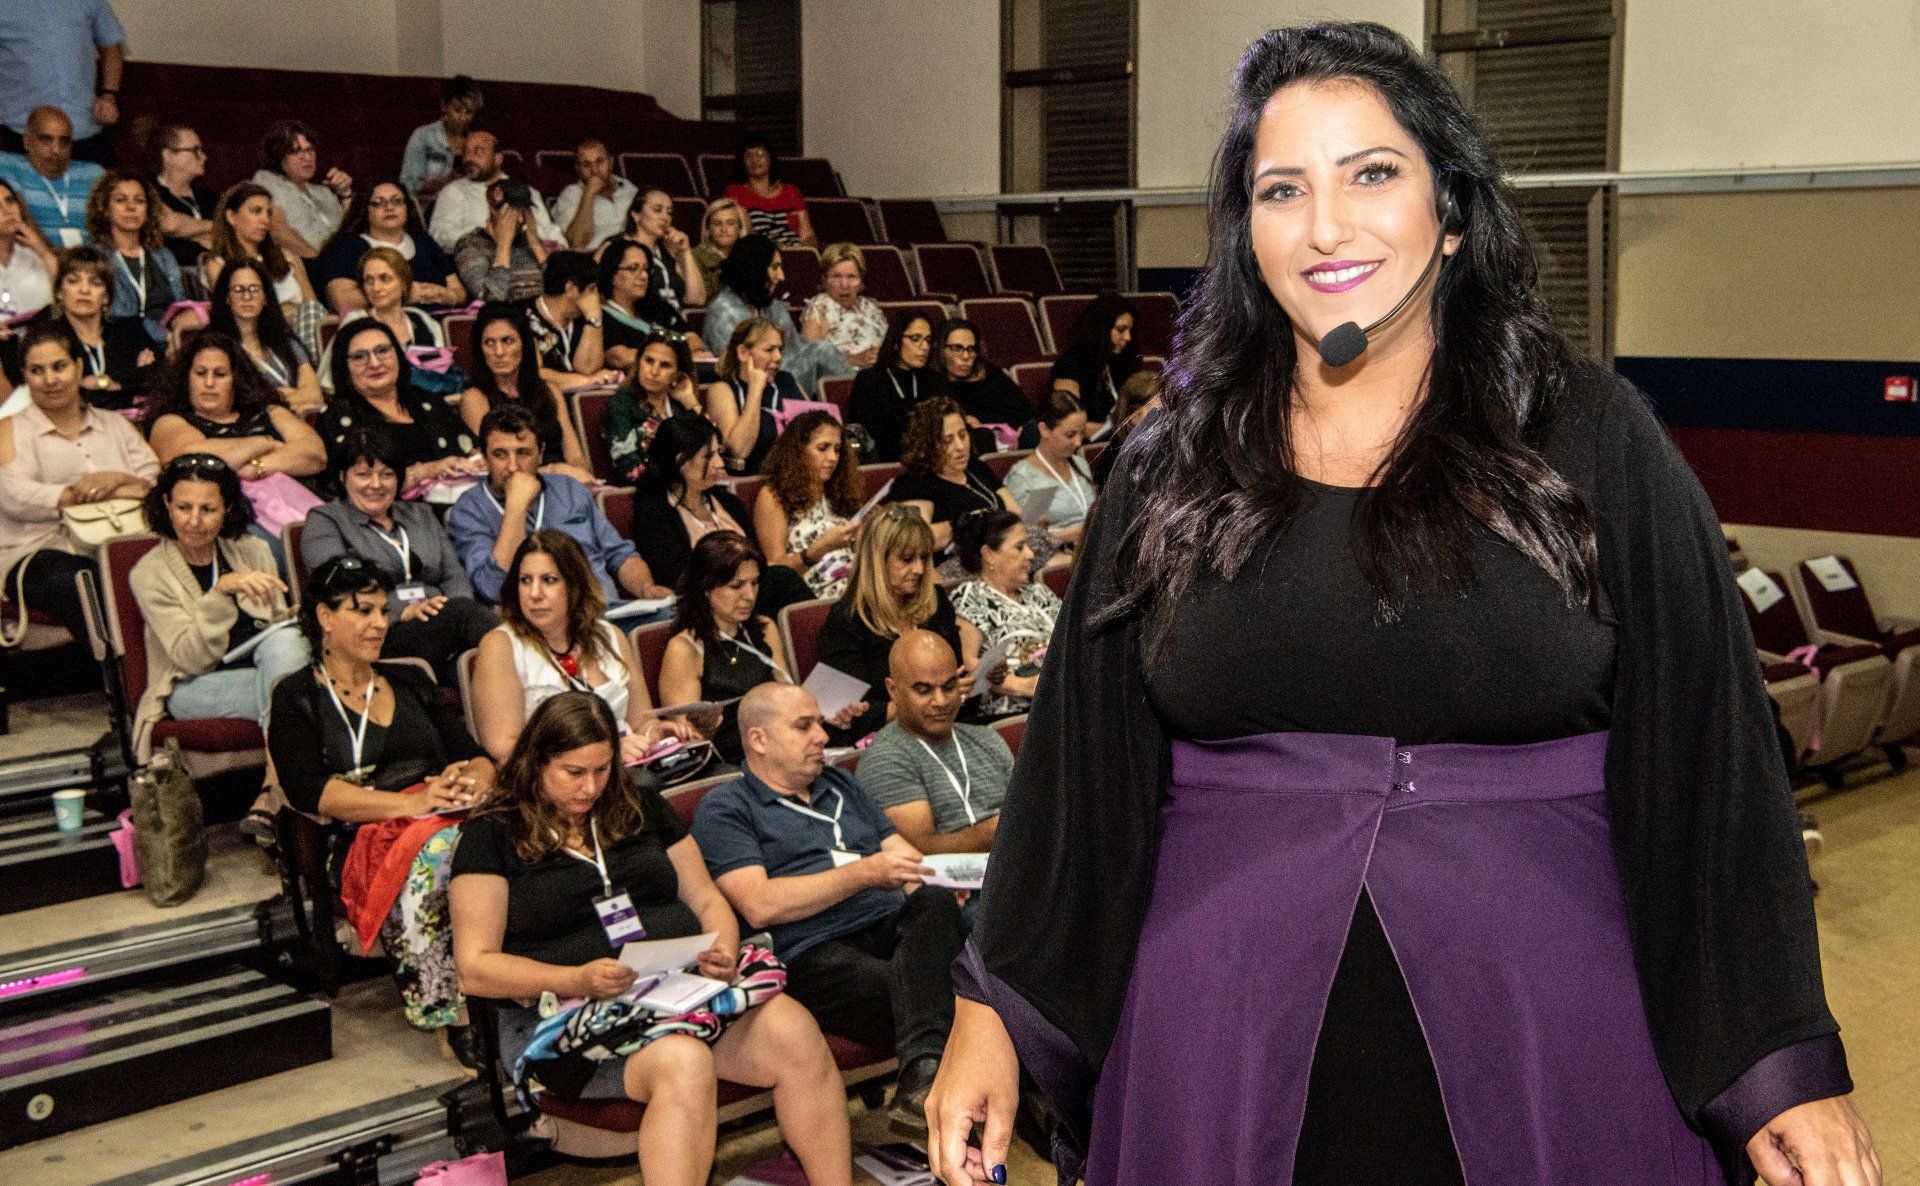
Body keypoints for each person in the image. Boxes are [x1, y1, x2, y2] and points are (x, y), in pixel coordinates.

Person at [925, 24, 1877, 1186]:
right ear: (1246, 234)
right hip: (1213, 1039)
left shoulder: (1593, 440)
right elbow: (1083, 773)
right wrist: (997, 1009)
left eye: (1372, 172)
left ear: (1452, 213)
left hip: (1557, 1036)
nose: (1327, 226)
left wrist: (1781, 1057)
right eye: (1283, 189)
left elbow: (1713, 760)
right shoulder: (1169, 468)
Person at [450, 691, 855, 1186]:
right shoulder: (492, 835)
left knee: (794, 1032)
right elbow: (475, 968)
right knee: (683, 1062)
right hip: (563, 1017)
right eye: (573, 773)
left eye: (602, 770)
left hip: (676, 990)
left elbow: (705, 898)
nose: (590, 787)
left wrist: (723, 948)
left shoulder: (638, 805)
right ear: (536, 763)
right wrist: (577, 978)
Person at [692, 682, 967, 1134]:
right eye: (803, 727)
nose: (821, 736)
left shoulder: (840, 782)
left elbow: (904, 859)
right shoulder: (725, 807)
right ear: (758, 739)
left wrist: (951, 878)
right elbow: (759, 904)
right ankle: (933, 1078)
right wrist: (863, 873)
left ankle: (923, 1081)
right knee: (951, 988)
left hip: (888, 925)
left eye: (819, 724)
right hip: (811, 949)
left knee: (940, 904)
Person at [268, 555, 497, 1044]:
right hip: (360, 837)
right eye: (363, 611)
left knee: (504, 836)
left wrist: (469, 782)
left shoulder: (411, 679)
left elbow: (476, 757)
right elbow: (310, 791)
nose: (380, 624)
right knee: (442, 853)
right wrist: (411, 806)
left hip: (441, 814)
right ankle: (449, 1014)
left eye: (383, 611)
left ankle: (509, 985)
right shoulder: (296, 697)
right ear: (325, 617)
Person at [131, 453, 305, 839]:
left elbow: (276, 627)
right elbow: (192, 658)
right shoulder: (149, 572)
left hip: (263, 669)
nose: (194, 520)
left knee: (288, 656)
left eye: (208, 509)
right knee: (306, 690)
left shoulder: (253, 551)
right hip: (193, 685)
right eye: (184, 507)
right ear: (166, 504)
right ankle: (292, 796)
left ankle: (273, 793)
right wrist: (220, 593)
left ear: (227, 508)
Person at [471, 530, 693, 765]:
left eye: (549, 580)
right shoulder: (500, 646)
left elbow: (641, 721)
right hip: (551, 777)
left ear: (575, 585)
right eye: (525, 580)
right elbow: (505, 748)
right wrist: (606, 754)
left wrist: (655, 732)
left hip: (629, 766)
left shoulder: (610, 636)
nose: (534, 594)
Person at [0, 321, 155, 651]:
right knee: (83, 579)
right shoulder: (11, 429)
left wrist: (116, 480)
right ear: (25, 375)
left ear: (79, 367)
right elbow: (15, 496)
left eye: (59, 367)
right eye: (37, 371)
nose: (50, 380)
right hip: (38, 550)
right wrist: (89, 493)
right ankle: (122, 668)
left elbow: (155, 483)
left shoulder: (115, 425)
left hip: (121, 539)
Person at [300, 427, 498, 681]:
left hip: (442, 624)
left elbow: (453, 574)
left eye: (387, 474)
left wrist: (446, 608)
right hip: (378, 632)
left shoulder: (421, 514)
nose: (376, 484)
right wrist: (400, 611)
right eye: (363, 475)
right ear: (342, 477)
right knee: (472, 621)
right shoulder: (326, 520)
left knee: (478, 669)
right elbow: (338, 589)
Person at [447, 404, 669, 604]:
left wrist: (646, 589)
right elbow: (493, 588)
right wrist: (516, 507)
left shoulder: (569, 488)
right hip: (540, 626)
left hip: (607, 610)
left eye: (523, 453)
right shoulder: (468, 510)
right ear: (485, 458)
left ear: (541, 454)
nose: (513, 466)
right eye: (500, 454)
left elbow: (619, 555)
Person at [628, 416, 810, 615]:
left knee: (782, 583)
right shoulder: (654, 512)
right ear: (681, 461)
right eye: (708, 456)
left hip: (750, 590)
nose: (720, 463)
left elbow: (755, 556)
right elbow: (679, 578)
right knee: (782, 579)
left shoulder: (728, 502)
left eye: (718, 454)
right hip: (704, 601)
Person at [657, 531, 810, 765]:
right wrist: (706, 728)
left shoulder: (765, 628)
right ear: (706, 588)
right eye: (736, 585)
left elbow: (787, 695)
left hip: (780, 746)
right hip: (730, 760)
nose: (749, 596)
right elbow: (690, 742)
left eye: (754, 583)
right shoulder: (684, 648)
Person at [817, 506, 962, 744]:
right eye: (907, 559)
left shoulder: (935, 600)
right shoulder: (847, 618)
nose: (919, 569)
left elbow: (958, 673)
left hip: (949, 727)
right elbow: (844, 717)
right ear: (877, 561)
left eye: (924, 558)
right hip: (885, 741)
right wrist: (921, 703)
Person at [858, 630, 1011, 856]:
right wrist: (997, 831)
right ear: (893, 690)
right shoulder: (884, 759)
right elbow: (919, 850)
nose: (940, 701)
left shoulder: (987, 739)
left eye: (949, 687)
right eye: (924, 690)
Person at [144, 331, 327, 497]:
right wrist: (266, 443)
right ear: (186, 378)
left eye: (220, 374)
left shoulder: (269, 411)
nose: (209, 383)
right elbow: (196, 460)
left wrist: (257, 468)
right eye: (200, 373)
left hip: (302, 505)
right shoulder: (168, 421)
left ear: (236, 379)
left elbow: (315, 454)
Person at [318, 318, 479, 485]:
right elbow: (352, 486)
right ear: (343, 366)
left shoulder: (426, 400)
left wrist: (478, 461)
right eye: (359, 357)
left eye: (382, 351)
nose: (375, 363)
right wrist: (427, 471)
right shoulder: (337, 417)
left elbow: (470, 450)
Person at [458, 302, 594, 483]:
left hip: (564, 483)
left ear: (524, 344)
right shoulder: (475, 398)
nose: (499, 352)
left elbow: (576, 456)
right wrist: (555, 472)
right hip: (514, 489)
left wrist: (579, 474)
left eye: (507, 341)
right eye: (489, 343)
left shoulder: (550, 391)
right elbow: (496, 468)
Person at [705, 234, 851, 398]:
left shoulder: (770, 304)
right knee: (823, 351)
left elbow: (798, 349)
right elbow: (734, 367)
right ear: (755, 269)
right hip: (748, 387)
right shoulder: (722, 311)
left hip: (784, 375)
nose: (782, 276)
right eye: (775, 267)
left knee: (824, 350)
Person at [949, 510, 1058, 720]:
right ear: (989, 555)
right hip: (1013, 713)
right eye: (1019, 547)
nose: (1030, 554)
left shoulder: (1039, 592)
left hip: (1060, 699)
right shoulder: (969, 598)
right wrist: (1028, 686)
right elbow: (971, 667)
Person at [26, 245, 154, 408]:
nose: (84, 290)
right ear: (59, 292)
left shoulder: (130, 330)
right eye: (73, 281)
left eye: (95, 283)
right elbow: (60, 390)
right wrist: (133, 381)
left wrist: (102, 382)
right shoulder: (48, 337)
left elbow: (162, 373)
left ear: (106, 296)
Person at [753, 410, 862, 601]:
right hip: (811, 595)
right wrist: (816, 551)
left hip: (854, 584)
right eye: (823, 448)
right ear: (798, 450)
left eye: (837, 450)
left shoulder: (837, 492)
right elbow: (775, 574)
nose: (833, 457)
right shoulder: (774, 495)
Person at [202, 182, 322, 353]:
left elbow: (312, 304)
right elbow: (238, 309)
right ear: (232, 217)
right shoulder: (218, 265)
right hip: (265, 336)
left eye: (268, 213)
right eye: (256, 211)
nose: (265, 219)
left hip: (304, 326)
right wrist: (285, 312)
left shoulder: (286, 256)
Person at [0, 3, 125, 166]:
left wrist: (109, 95)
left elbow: (112, 46)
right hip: (24, 132)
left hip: (83, 125)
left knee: (104, 180)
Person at [890, 398, 1020, 553]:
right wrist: (964, 523)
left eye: (962, 435)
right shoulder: (914, 482)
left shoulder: (977, 467)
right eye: (948, 440)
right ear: (926, 445)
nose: (960, 446)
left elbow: (1015, 512)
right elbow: (918, 540)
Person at [313, 180, 463, 314]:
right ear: (365, 210)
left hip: (439, 320)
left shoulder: (423, 240)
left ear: (407, 208)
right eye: (379, 203)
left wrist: (448, 296)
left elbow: (458, 290)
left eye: (397, 201)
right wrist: (404, 294)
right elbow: (341, 301)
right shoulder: (346, 247)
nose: (390, 207)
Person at [203, 258, 324, 414]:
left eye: (254, 289)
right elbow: (232, 402)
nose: (247, 297)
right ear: (227, 297)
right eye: (238, 289)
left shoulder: (284, 340)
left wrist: (273, 398)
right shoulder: (213, 346)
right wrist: (287, 395)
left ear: (266, 297)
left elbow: (314, 395)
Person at [317, 247, 446, 391]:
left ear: (403, 284)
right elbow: (329, 382)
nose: (376, 288)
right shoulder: (355, 323)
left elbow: (441, 375)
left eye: (385, 279)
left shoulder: (422, 319)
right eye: (369, 280)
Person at [84, 171, 187, 342]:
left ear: (148, 210)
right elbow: (115, 318)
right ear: (105, 210)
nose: (131, 207)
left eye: (139, 201)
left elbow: (180, 307)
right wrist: (164, 335)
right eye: (121, 200)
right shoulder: (94, 258)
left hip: (170, 343)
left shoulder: (164, 256)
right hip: (121, 343)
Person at [704, 316, 806, 476]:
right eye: (769, 350)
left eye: (780, 349)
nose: (778, 357)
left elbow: (816, 427)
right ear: (743, 352)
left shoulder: (786, 380)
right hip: (754, 480)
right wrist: (755, 389)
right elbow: (739, 451)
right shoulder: (722, 390)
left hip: (797, 475)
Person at [429, 130, 561, 252]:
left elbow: (550, 232)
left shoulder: (525, 191)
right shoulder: (453, 191)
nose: (469, 159)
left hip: (528, 257)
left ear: (498, 159)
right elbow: (439, 236)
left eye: (478, 152)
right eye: (466, 152)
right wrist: (486, 234)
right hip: (477, 259)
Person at [606, 331, 703, 486]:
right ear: (638, 363)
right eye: (649, 361)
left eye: (665, 365)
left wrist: (690, 401)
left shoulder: (679, 404)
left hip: (689, 488)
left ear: (678, 373)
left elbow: (714, 451)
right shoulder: (622, 403)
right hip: (648, 492)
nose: (654, 371)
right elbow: (629, 468)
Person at [0, 107, 104, 245]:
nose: (56, 149)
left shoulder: (94, 174)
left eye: (64, 141)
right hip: (34, 255)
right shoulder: (6, 165)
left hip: (93, 257)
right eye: (46, 140)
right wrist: (52, 255)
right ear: (26, 141)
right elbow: (21, 221)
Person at [251, 120, 352, 261]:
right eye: (295, 151)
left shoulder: (324, 192)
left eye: (310, 150)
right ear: (278, 157)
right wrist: (321, 262)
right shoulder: (267, 180)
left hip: (348, 260)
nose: (307, 157)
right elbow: (276, 229)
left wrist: (345, 194)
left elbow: (353, 229)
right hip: (308, 264)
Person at [616, 187, 707, 341]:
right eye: (657, 210)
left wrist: (685, 251)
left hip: (673, 328)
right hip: (637, 330)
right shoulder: (616, 247)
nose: (665, 217)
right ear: (636, 215)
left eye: (669, 212)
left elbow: (697, 298)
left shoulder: (668, 252)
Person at [1003, 391, 1094, 543]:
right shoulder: (1026, 476)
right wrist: (1074, 534)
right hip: (1057, 552)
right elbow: (1031, 539)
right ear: (1044, 429)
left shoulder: (1080, 464)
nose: (1078, 442)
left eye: (1082, 433)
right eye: (1070, 435)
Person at [846, 311, 936, 463]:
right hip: (885, 461)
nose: (925, 347)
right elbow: (866, 436)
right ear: (896, 341)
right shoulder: (869, 380)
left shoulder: (933, 380)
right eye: (915, 339)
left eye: (928, 340)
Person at [523, 251, 618, 387]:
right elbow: (533, 372)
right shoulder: (522, 317)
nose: (596, 297)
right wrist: (588, 381)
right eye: (592, 289)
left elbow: (588, 369)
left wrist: (594, 319)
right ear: (571, 287)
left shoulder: (590, 316)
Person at [1048, 291, 1141, 426]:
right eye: (1121, 329)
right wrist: (1122, 430)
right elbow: (1069, 423)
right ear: (1100, 329)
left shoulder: (1123, 361)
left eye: (1130, 331)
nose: (1128, 337)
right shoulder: (1070, 364)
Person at [454, 177, 552, 304]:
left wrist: (535, 243)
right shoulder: (470, 244)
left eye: (524, 210)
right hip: (506, 314)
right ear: (492, 209)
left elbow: (561, 291)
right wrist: (503, 246)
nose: (520, 219)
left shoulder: (532, 244)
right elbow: (489, 298)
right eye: (512, 211)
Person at [932, 320, 1029, 443]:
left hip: (1014, 442)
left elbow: (1024, 413)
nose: (965, 356)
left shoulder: (991, 374)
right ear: (941, 350)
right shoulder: (932, 382)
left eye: (971, 349)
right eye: (957, 348)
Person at [595, 237, 684, 371]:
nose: (644, 276)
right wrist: (678, 355)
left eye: (646, 269)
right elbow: (620, 357)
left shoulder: (658, 307)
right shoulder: (601, 316)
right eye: (633, 268)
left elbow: (692, 339)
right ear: (613, 275)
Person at [800, 244, 885, 370]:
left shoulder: (870, 307)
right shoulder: (817, 309)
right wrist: (854, 359)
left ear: (861, 280)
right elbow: (810, 361)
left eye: (851, 276)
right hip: (839, 377)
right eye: (836, 276)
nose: (844, 285)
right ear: (825, 279)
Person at [721, 136, 814, 247]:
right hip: (759, 251)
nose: (755, 160)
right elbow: (746, 233)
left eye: (760, 154)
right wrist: (773, 247)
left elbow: (807, 235)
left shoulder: (791, 191)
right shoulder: (735, 192)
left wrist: (805, 252)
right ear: (742, 162)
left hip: (795, 250)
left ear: (770, 159)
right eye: (748, 156)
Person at [400, 76, 482, 201]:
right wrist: (445, 182)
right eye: (457, 110)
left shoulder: (476, 141)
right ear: (444, 106)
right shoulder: (424, 136)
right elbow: (408, 184)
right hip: (430, 206)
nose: (462, 117)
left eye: (469, 112)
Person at [149, 123, 217, 269]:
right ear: (168, 156)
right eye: (195, 150)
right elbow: (170, 224)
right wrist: (215, 226)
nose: (203, 157)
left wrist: (188, 230)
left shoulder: (209, 197)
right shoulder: (148, 192)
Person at [553, 139, 637, 253]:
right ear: (578, 169)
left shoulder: (628, 188)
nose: (594, 170)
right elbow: (576, 243)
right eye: (586, 164)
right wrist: (589, 194)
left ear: (610, 162)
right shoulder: (570, 195)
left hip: (635, 254)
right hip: (595, 258)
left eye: (599, 161)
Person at [0, 179, 58, 325]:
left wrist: (42, 251)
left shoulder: (37, 256)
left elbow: (65, 299)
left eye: (10, 201)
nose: (7, 211)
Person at [691, 197, 744, 303]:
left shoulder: (749, 256)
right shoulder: (695, 256)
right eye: (717, 223)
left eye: (730, 223)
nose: (724, 229)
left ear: (739, 228)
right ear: (708, 229)